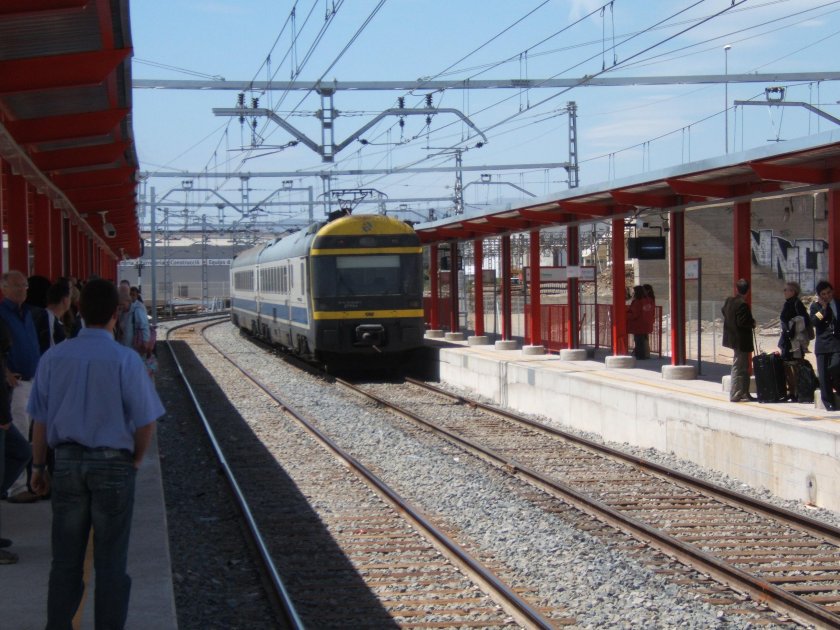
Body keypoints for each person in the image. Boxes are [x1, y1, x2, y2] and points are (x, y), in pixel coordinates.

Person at [28, 279, 164, 629]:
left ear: (80, 311)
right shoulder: (126, 360)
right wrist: (134, 461)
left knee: (65, 562)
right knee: (111, 564)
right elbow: (146, 422)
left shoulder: (54, 358)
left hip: (68, 464)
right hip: (114, 466)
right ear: (115, 314)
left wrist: (39, 467)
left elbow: (40, 421)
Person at [0, 270, 41, 502]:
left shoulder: (26, 313)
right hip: (15, 385)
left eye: (24, 285)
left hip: (32, 381)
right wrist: (4, 372)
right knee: (20, 433)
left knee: (30, 433)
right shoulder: (2, 314)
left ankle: (24, 482)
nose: (22, 290)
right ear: (4, 288)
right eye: (16, 286)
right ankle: (15, 488)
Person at [722, 278, 756, 403]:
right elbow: (742, 322)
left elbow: (724, 312)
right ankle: (736, 393)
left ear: (736, 289)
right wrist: (752, 323)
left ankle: (744, 392)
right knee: (739, 366)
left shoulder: (729, 301)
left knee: (744, 366)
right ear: (748, 291)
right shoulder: (742, 304)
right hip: (741, 341)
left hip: (733, 339)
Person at [778, 281, 812, 400]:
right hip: (788, 340)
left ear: (793, 292)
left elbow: (805, 320)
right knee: (787, 365)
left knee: (797, 365)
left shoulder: (797, 304)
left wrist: (792, 327)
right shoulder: (788, 303)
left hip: (795, 341)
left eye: (786, 290)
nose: (784, 292)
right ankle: (792, 391)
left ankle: (799, 391)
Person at [810, 280, 840, 411]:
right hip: (822, 345)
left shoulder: (838, 304)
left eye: (829, 292)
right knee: (823, 376)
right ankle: (829, 403)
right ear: (820, 295)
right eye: (824, 294)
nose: (827, 296)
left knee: (835, 366)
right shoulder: (815, 307)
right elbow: (815, 321)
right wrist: (823, 308)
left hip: (837, 343)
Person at [36, 279, 71, 354]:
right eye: (70, 298)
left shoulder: (49, 317)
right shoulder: (48, 319)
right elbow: (48, 350)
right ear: (65, 300)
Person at [626, 285, 654, 359]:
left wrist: (625, 314)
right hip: (647, 323)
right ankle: (646, 355)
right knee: (644, 340)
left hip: (638, 324)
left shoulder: (637, 302)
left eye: (633, 292)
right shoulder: (649, 300)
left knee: (638, 341)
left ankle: (640, 356)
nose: (632, 294)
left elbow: (634, 314)